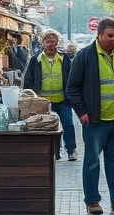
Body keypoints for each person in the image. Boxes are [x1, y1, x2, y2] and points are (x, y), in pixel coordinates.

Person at [66, 18, 114, 215]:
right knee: (92, 161)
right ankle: (92, 201)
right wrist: (82, 112)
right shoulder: (85, 56)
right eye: (110, 36)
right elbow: (72, 88)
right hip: (95, 120)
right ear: (99, 35)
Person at [23, 29, 77, 161]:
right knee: (48, 126)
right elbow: (28, 79)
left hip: (62, 100)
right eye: (48, 42)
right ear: (43, 43)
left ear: (57, 43)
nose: (51, 44)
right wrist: (29, 98)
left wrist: (72, 95)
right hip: (43, 102)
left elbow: (72, 78)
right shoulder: (36, 60)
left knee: (68, 124)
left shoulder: (64, 59)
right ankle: (54, 152)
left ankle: (71, 149)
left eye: (53, 42)